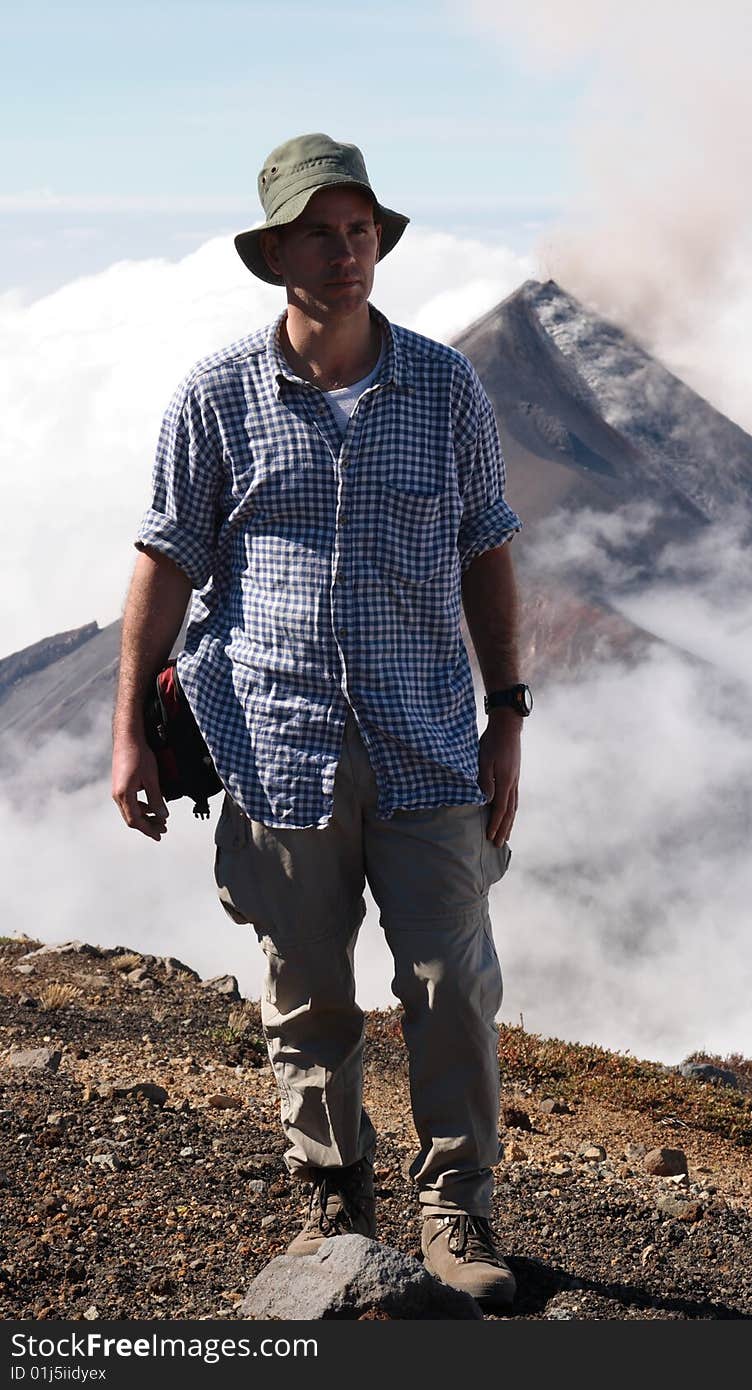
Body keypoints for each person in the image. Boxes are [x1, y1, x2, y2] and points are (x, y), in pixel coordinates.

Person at [111, 132, 532, 1310]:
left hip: (429, 738)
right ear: (274, 253)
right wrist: (128, 728)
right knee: (306, 989)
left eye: (360, 232)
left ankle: (457, 1209)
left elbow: (485, 552)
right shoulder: (215, 395)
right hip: (273, 738)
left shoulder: (444, 386)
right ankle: (335, 1194)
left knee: (452, 984)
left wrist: (508, 715)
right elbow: (166, 560)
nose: (345, 254)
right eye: (318, 233)